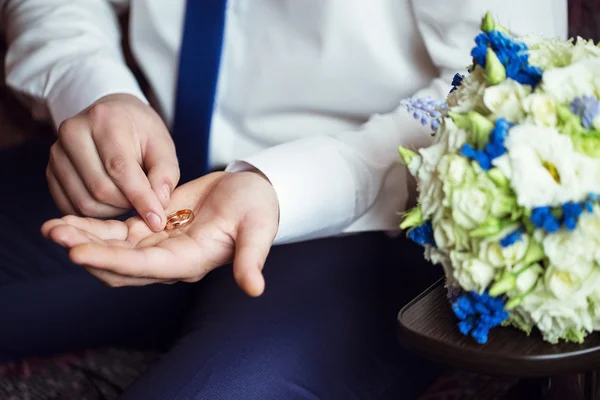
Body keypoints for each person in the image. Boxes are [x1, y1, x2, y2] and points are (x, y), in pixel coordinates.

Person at [0, 0, 566, 398]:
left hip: (371, 223)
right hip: (141, 169)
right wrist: (93, 85)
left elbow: (505, 80)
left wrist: (281, 186)